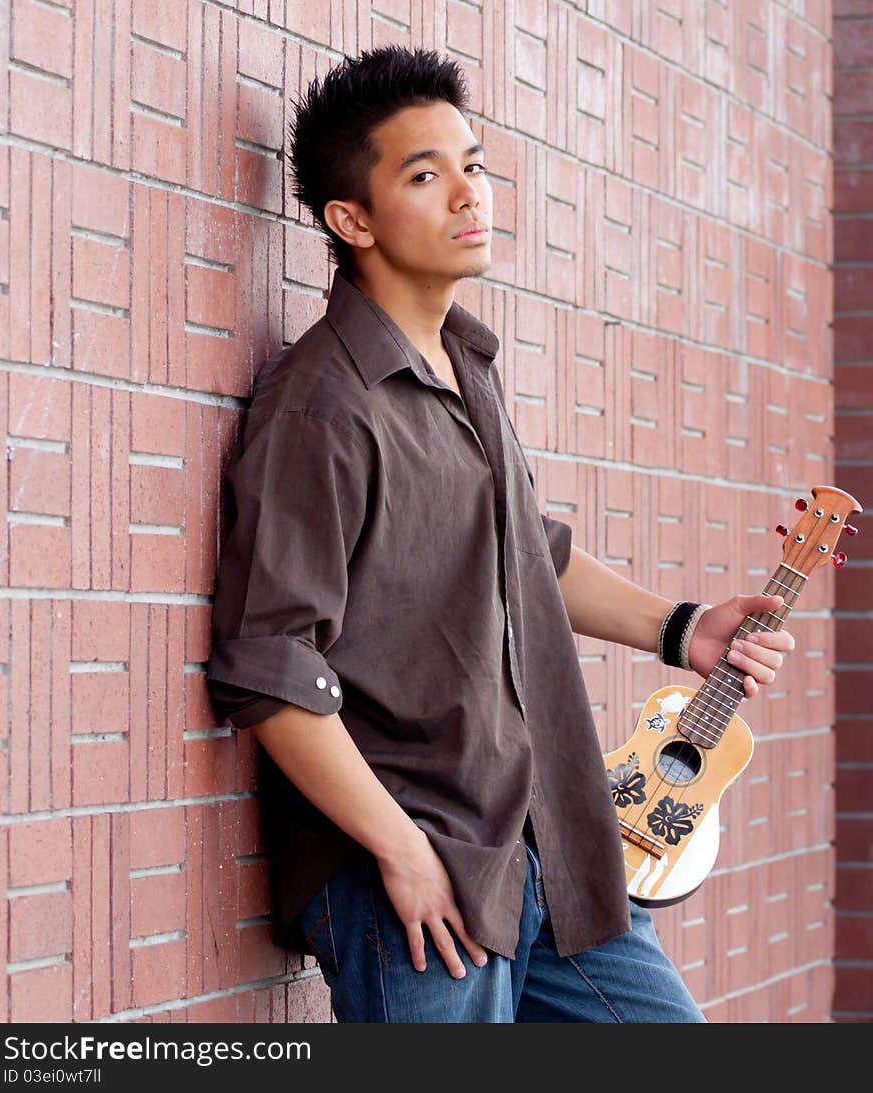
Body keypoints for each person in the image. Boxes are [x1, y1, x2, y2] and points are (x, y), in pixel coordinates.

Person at [205, 45, 795, 1023]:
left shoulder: (463, 364)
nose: (467, 194)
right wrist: (398, 850)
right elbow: (270, 669)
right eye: (425, 175)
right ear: (351, 220)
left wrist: (682, 627)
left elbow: (531, 550)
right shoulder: (323, 407)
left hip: (549, 849)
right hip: (422, 873)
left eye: (471, 165)